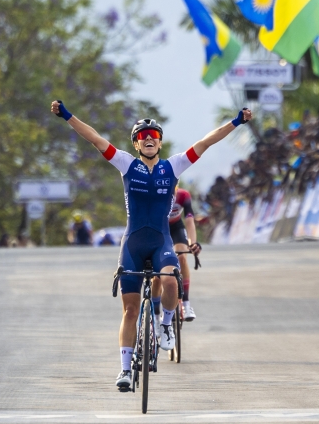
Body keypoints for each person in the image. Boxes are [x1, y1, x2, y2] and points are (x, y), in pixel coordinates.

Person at [51, 98, 252, 390]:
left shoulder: (173, 166)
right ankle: (123, 370)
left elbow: (207, 142)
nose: (148, 139)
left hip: (161, 242)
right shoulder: (125, 163)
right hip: (133, 244)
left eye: (154, 136)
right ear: (135, 144)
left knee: (170, 281)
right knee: (130, 310)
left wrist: (237, 121)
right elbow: (94, 137)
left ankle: (166, 324)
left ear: (160, 143)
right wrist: (67, 115)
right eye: (142, 136)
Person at [166, 187, 201, 320]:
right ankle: (156, 313)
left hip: (176, 228)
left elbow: (190, 221)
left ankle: (186, 303)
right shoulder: (156, 191)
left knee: (182, 257)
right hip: (159, 228)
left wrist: (193, 243)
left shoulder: (183, 195)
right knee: (156, 272)